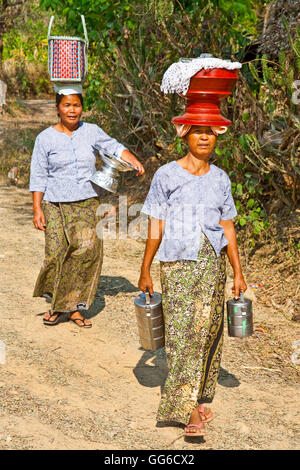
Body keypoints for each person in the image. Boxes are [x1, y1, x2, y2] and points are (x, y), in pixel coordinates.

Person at [138, 123, 247, 437]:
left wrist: (238, 272)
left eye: (210, 132)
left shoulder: (220, 179)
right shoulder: (166, 175)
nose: (204, 137)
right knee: (183, 334)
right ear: (184, 136)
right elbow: (156, 226)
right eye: (197, 131)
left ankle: (200, 399)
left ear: (216, 138)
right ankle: (186, 410)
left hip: (213, 267)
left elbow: (227, 228)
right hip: (177, 265)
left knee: (210, 331)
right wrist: (146, 269)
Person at [30, 85, 144, 328]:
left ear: (82, 107)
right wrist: (37, 208)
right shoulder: (45, 138)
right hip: (54, 203)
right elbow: (38, 174)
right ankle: (57, 302)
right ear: (57, 108)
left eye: (77, 105)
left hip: (86, 201)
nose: (72, 110)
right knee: (56, 253)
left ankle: (74, 308)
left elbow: (113, 147)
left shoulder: (91, 132)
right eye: (67, 105)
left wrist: (132, 158)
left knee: (86, 252)